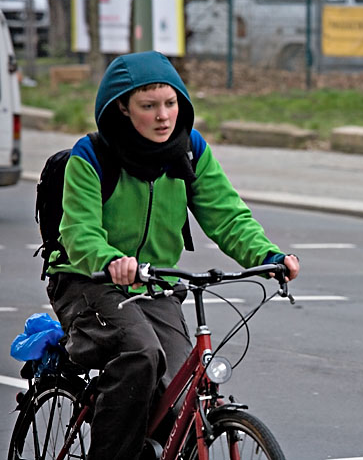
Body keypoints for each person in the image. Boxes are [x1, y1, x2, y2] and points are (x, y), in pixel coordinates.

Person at [46, 50, 300, 459]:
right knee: (141, 354)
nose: (164, 116)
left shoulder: (189, 149)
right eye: (149, 106)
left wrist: (268, 255)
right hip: (88, 281)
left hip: (155, 284)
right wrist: (111, 260)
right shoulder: (92, 155)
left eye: (171, 103)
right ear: (124, 110)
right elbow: (79, 232)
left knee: (184, 388)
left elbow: (227, 216)